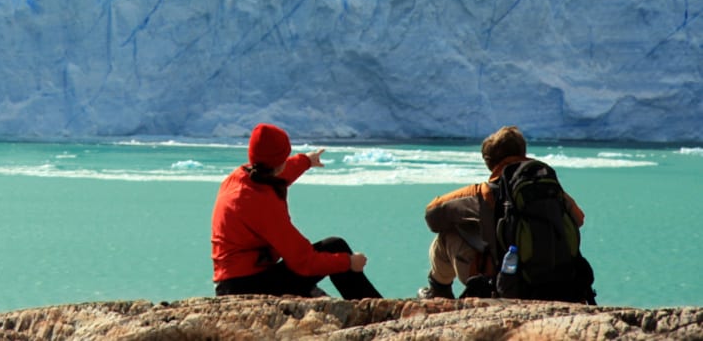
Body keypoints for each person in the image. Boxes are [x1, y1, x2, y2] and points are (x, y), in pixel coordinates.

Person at [211, 123, 382, 298]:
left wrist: (307, 160)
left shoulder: (241, 178)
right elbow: (303, 261)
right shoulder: (259, 203)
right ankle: (380, 313)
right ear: (279, 163)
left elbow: (282, 173)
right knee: (334, 247)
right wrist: (348, 262)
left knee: (330, 254)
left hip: (234, 281)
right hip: (246, 288)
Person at [419, 125, 587, 300]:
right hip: (560, 281)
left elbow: (433, 215)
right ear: (523, 151)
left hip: (505, 283)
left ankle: (439, 290)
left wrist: (474, 222)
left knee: (448, 235)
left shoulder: (484, 193)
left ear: (489, 162)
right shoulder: (550, 187)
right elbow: (579, 219)